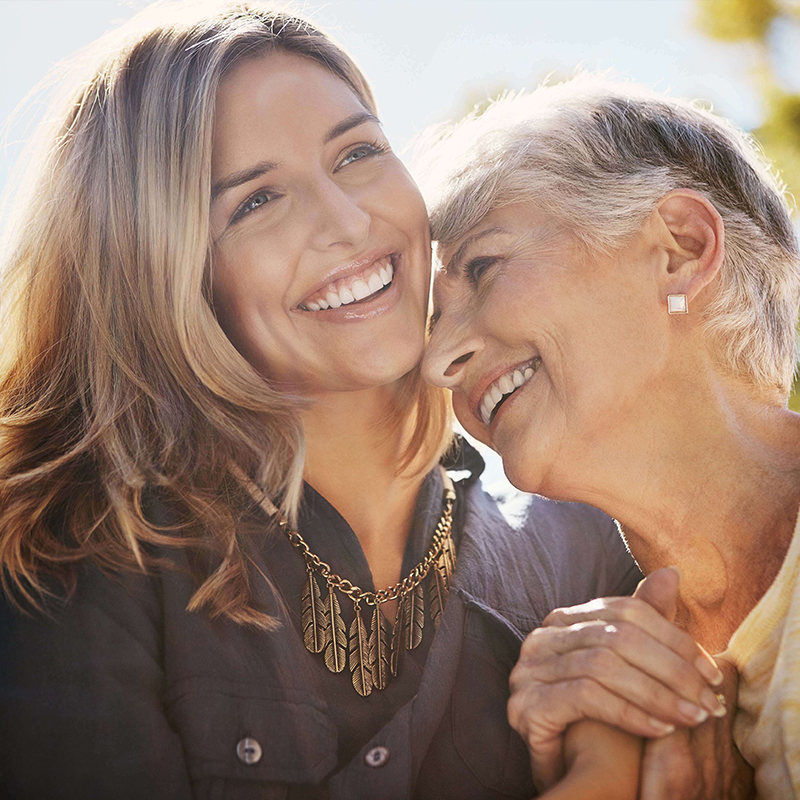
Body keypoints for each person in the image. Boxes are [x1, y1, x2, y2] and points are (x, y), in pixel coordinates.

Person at [421, 74, 800, 798]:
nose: (440, 362)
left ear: (681, 249)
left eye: (483, 267)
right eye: (433, 324)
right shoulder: (589, 685)